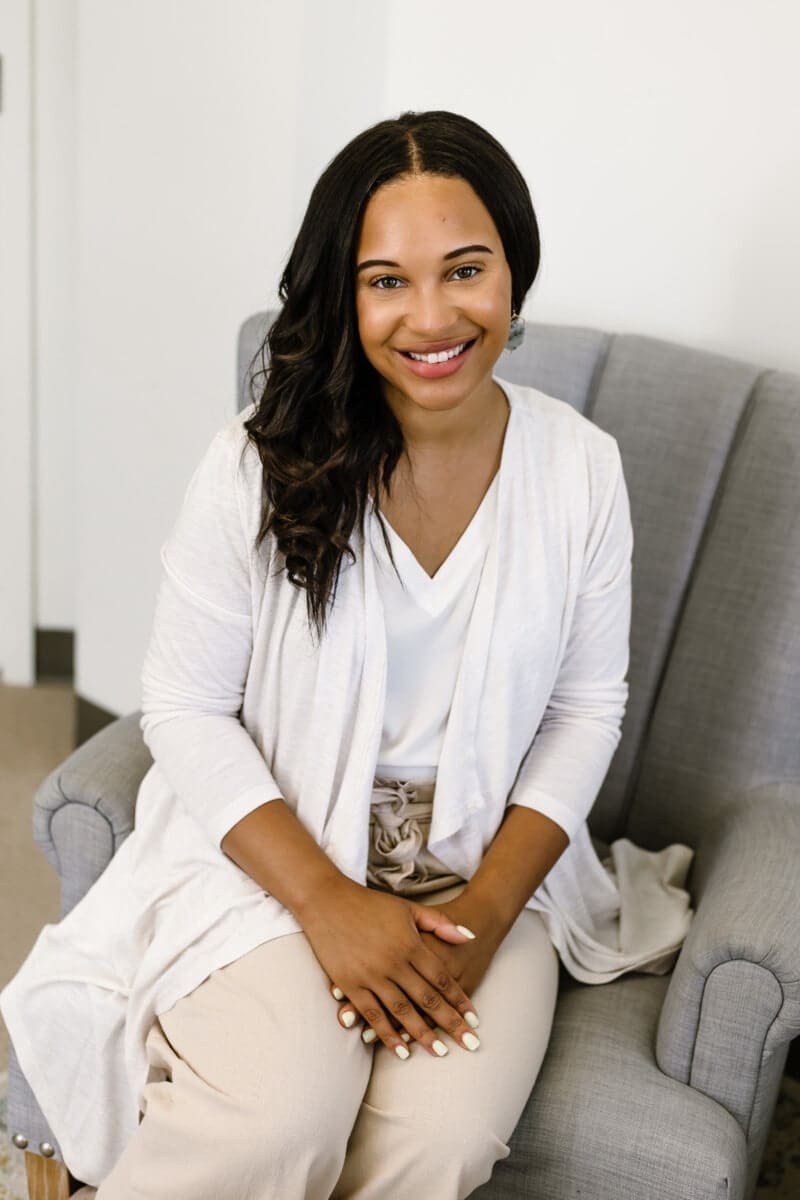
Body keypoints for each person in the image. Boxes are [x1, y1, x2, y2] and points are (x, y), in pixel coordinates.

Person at [0, 110, 693, 1199]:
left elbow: (581, 707)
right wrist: (330, 905)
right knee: (278, 1126)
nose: (431, 316)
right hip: (279, 863)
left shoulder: (578, 471)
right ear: (345, 292)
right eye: (385, 281)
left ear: (514, 271)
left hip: (478, 870)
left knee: (442, 1142)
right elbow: (182, 707)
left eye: (465, 269)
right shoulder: (253, 466)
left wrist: (484, 918)